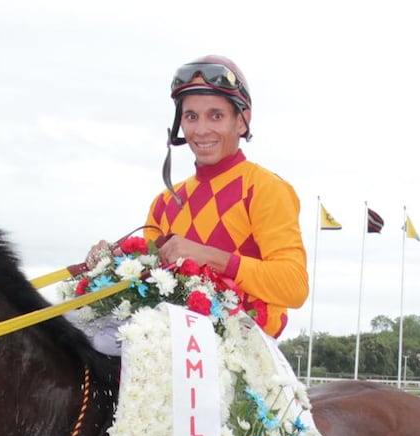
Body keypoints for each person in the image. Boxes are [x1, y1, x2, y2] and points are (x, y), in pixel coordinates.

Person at [92, 55, 308, 338]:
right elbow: (148, 284)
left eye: (216, 116)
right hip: (171, 347)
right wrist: (112, 262)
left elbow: (294, 286)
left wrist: (211, 257)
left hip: (247, 351)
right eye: (191, 116)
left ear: (242, 121)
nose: (202, 130)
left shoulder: (265, 188)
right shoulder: (164, 203)